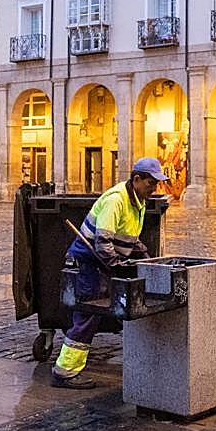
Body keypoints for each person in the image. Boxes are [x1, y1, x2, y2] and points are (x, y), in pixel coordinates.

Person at [52, 157, 169, 389]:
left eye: (156, 183)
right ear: (137, 179)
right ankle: (65, 372)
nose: (154, 188)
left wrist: (148, 258)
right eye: (151, 183)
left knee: (102, 313)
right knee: (87, 315)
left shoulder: (138, 201)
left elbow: (130, 238)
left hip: (101, 263)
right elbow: (103, 242)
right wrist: (117, 265)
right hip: (89, 264)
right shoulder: (116, 200)